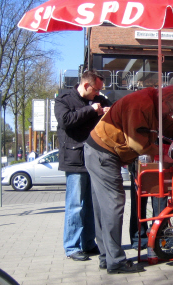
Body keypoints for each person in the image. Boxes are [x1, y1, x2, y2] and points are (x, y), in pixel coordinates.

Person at [84, 85, 173, 274]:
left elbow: (166, 123)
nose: (171, 114)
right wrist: (162, 156)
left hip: (99, 151)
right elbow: (136, 142)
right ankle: (116, 262)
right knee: (113, 203)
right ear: (163, 101)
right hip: (102, 152)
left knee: (103, 207)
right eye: (171, 109)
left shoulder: (155, 103)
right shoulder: (140, 104)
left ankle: (107, 257)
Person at [55, 70, 110, 261]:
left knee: (90, 205)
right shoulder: (64, 99)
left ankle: (88, 243)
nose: (98, 94)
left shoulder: (99, 100)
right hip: (75, 159)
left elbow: (112, 110)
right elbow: (65, 121)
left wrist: (108, 111)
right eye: (96, 90)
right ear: (86, 85)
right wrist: (91, 110)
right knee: (76, 204)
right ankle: (72, 246)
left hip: (94, 158)